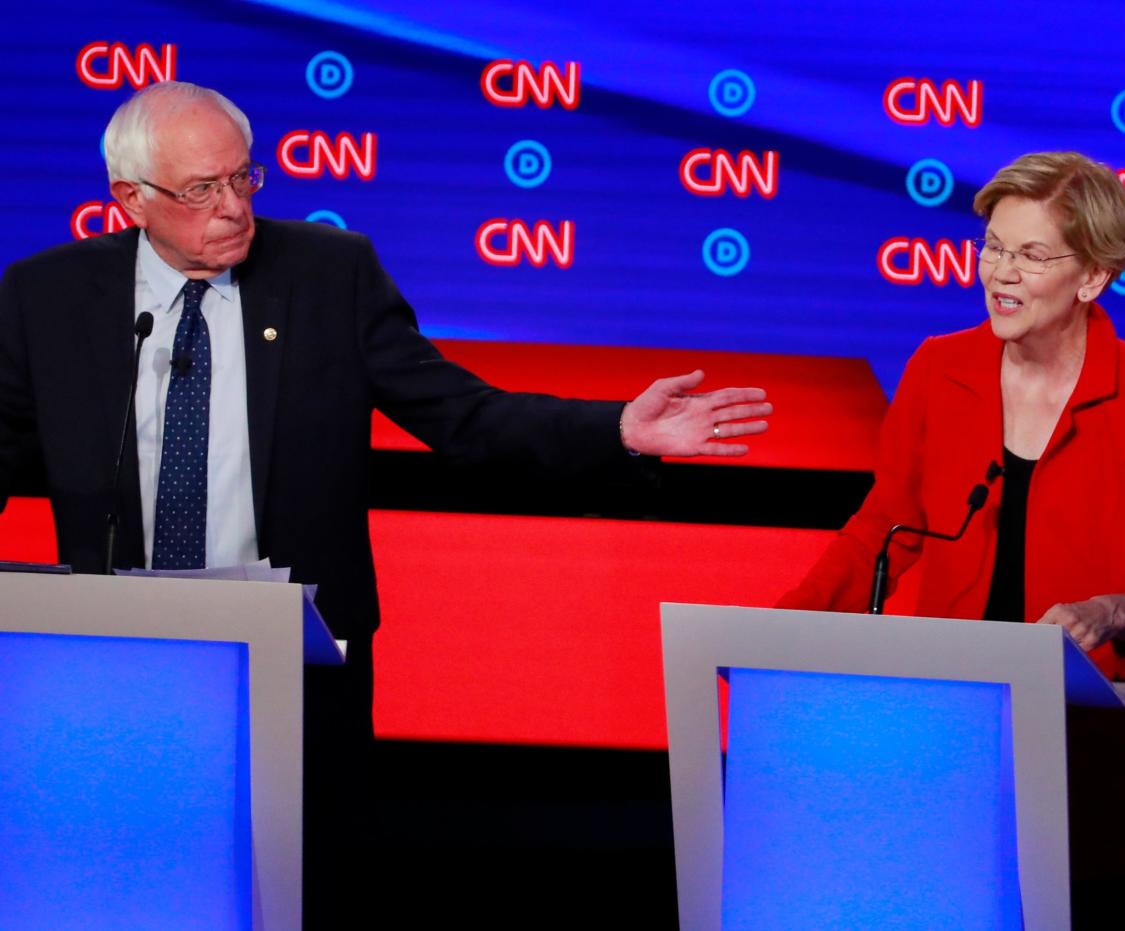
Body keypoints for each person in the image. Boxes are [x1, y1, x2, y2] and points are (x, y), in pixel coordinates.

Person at [0, 81, 770, 926]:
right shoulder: (47, 297)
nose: (233, 208)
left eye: (243, 178)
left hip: (295, 664)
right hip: (112, 669)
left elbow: (462, 416)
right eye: (200, 191)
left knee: (291, 892)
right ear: (130, 199)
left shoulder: (329, 274)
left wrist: (618, 428)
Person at [779, 152, 1125, 915]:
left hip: (1085, 747)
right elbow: (884, 530)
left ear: (1091, 277)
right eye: (992, 246)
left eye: (1030, 254)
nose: (999, 273)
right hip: (947, 733)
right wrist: (780, 631)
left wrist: (1115, 610)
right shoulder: (939, 370)